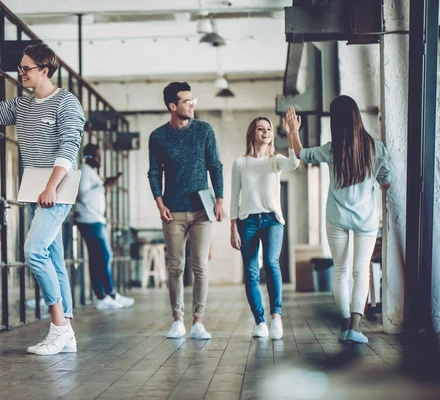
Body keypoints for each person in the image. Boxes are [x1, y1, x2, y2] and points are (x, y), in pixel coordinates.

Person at [0, 43, 84, 355]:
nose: (21, 73)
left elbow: (69, 147)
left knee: (34, 251)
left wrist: (52, 187)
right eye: (21, 68)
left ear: (45, 70)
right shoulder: (22, 105)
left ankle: (59, 328)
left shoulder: (67, 103)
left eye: (27, 68)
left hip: (56, 190)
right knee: (54, 260)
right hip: (35, 190)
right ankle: (67, 332)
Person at [285, 96, 392, 344]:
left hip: (336, 218)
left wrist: (293, 131)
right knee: (360, 271)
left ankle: (345, 327)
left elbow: (301, 154)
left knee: (341, 271)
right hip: (365, 220)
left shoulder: (332, 149)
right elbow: (387, 183)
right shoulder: (376, 148)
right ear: (357, 117)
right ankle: (355, 327)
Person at [147, 81, 224, 340]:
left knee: (200, 265)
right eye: (187, 101)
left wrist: (220, 199)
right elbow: (154, 171)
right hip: (172, 210)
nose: (192, 105)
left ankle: (198, 322)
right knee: (175, 266)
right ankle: (177, 320)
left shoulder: (204, 130)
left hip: (202, 209)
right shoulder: (158, 137)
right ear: (172, 106)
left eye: (194, 100)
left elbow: (215, 166)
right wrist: (159, 203)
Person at [229, 116, 299, 340]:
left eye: (268, 129)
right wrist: (232, 228)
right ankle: (260, 322)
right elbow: (234, 197)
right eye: (261, 128)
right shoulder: (240, 162)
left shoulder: (275, 160)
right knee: (250, 272)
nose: (266, 132)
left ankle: (276, 317)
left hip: (272, 220)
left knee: (270, 262)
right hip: (247, 221)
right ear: (253, 133)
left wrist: (291, 133)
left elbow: (295, 163)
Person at [74, 143, 134, 310]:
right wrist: (103, 186)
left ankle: (104, 296)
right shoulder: (85, 171)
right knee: (104, 256)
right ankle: (109, 294)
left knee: (97, 259)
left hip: (96, 219)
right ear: (90, 157)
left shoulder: (91, 172)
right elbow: (82, 195)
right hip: (90, 220)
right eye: (98, 156)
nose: (100, 159)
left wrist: (103, 185)